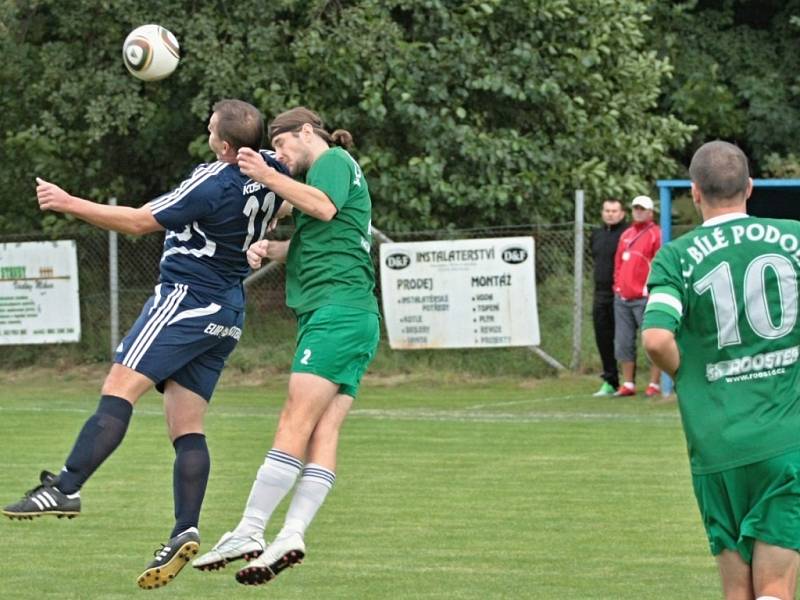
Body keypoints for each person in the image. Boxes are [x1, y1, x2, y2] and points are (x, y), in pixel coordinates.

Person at [2, 99, 286, 590]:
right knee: (186, 425)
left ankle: (65, 488)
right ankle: (185, 528)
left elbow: (137, 222)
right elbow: (281, 201)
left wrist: (67, 202)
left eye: (210, 128)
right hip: (227, 311)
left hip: (186, 300)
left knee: (118, 387)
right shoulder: (274, 170)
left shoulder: (214, 181)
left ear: (223, 145)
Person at [192, 107, 380, 587]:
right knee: (322, 433)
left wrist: (266, 177)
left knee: (293, 421)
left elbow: (321, 208)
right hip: (350, 316)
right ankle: (291, 533)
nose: (281, 158)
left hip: (336, 313)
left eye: (282, 148)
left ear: (305, 133)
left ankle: (250, 528)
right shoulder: (324, 178)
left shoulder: (332, 161)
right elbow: (322, 236)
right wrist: (271, 248)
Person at [642, 141, 800, 600]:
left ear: (694, 193)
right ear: (750, 187)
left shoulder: (676, 257)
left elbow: (655, 338)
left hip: (715, 442)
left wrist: (686, 370)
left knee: (738, 591)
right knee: (776, 588)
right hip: (784, 438)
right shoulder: (793, 238)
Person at [612, 194, 662, 397]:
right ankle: (629, 383)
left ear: (650, 212)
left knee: (652, 342)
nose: (639, 212)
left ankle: (655, 383)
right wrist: (617, 286)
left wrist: (651, 291)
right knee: (623, 342)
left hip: (644, 297)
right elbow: (618, 264)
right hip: (623, 298)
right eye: (636, 208)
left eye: (643, 209)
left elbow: (658, 264)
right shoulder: (626, 234)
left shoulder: (655, 234)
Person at [590, 199, 627, 396]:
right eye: (607, 210)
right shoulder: (596, 234)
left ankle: (630, 381)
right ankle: (610, 380)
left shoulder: (627, 234)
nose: (610, 214)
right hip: (600, 293)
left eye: (614, 211)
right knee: (603, 337)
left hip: (621, 293)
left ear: (622, 213)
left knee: (624, 339)